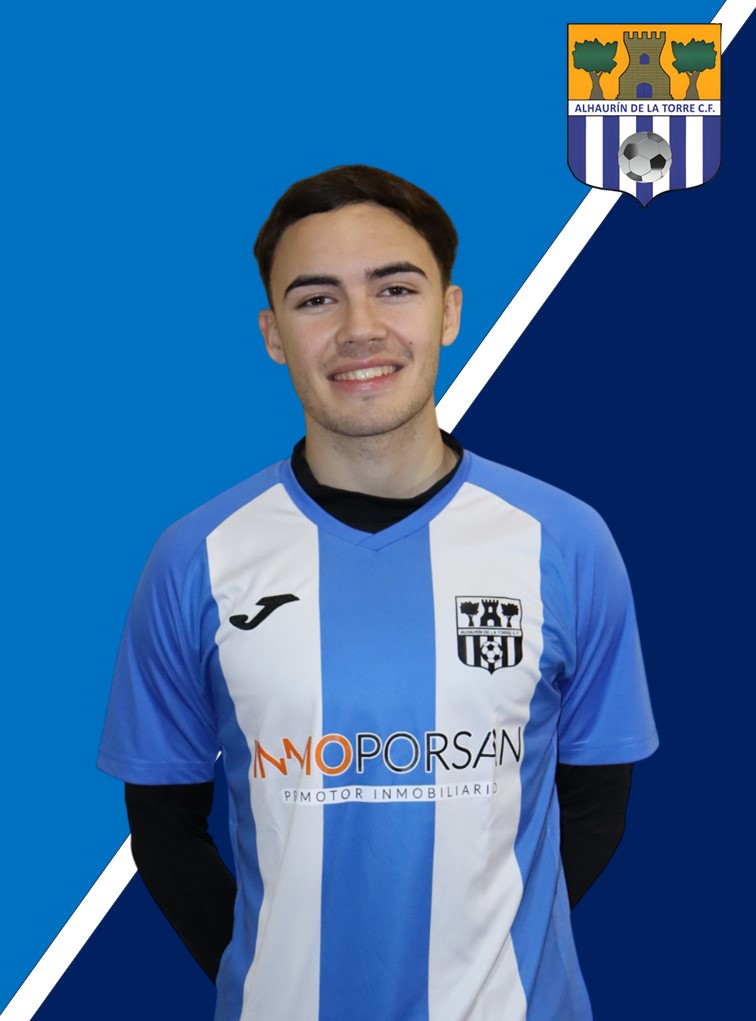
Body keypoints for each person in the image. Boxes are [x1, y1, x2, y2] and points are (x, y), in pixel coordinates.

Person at [98, 164, 658, 1020]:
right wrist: (276, 973)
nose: (360, 329)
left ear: (449, 312)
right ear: (273, 333)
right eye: (316, 298)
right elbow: (165, 826)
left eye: (395, 288)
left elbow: (595, 804)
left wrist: (480, 961)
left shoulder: (566, 541)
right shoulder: (195, 559)